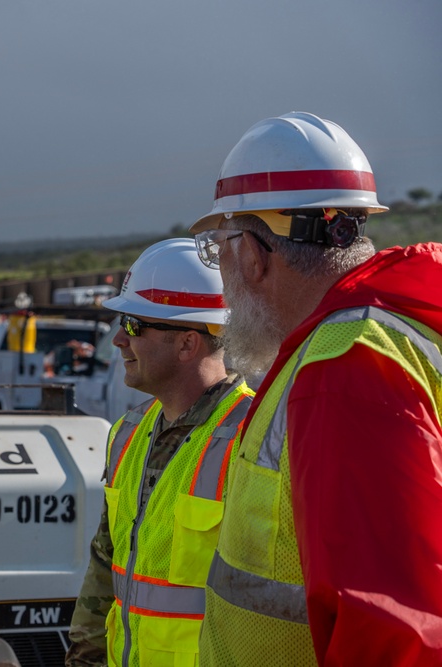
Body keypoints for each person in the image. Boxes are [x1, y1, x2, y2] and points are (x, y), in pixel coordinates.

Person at [190, 112, 442, 666]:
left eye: (219, 250)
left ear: (254, 255)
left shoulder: (344, 366)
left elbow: (394, 631)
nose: (223, 273)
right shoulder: (375, 338)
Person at [66, 238, 253, 666]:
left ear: (188, 344)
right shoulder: (128, 432)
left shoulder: (252, 438)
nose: (117, 340)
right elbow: (104, 565)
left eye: (133, 324)